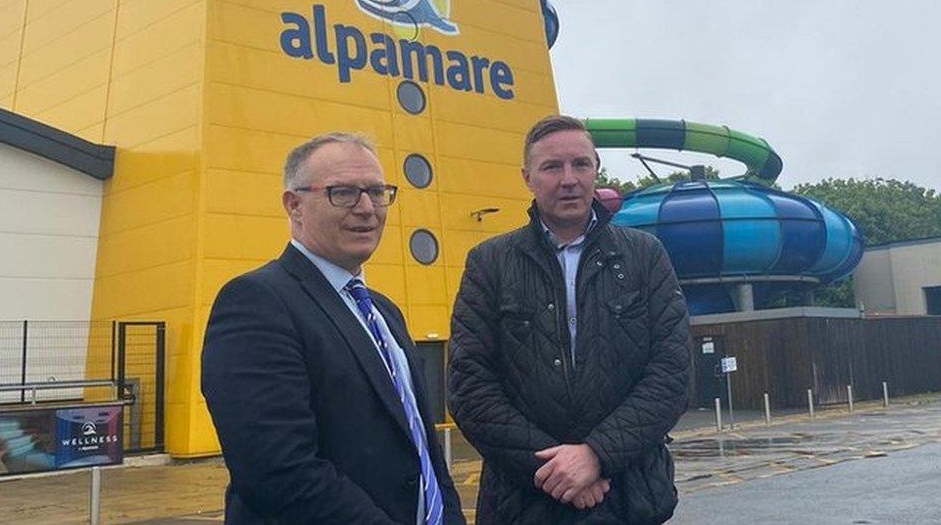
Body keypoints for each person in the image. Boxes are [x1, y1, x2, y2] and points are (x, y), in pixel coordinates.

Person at [202, 133, 465, 525]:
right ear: (294, 205)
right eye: (343, 193)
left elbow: (423, 452)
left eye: (377, 192)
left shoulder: (384, 311)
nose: (366, 208)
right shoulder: (256, 303)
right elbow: (278, 471)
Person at [448, 115, 692, 524]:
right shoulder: (489, 264)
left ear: (596, 168)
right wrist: (557, 471)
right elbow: (470, 385)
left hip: (629, 498)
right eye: (551, 167)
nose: (569, 179)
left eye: (580, 164)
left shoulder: (645, 256)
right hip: (523, 503)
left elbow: (672, 373)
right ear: (527, 177)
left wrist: (598, 455)